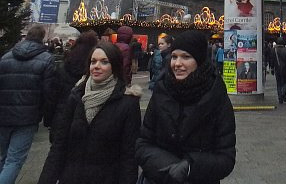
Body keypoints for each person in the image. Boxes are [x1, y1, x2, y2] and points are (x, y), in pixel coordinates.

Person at [136, 30, 236, 184]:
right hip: (160, 178)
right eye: (174, 56)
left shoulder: (216, 95)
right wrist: (168, 165)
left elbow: (226, 157)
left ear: (200, 60)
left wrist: (190, 167)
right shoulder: (162, 90)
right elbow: (143, 143)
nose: (177, 63)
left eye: (186, 57)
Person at [38, 42, 141, 184]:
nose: (96, 66)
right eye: (93, 61)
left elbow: (129, 156)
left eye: (104, 62)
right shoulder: (76, 96)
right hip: (71, 177)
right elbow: (59, 145)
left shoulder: (128, 103)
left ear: (115, 66)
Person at [0, 24, 56, 184]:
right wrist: (48, 117)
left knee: (5, 157)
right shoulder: (46, 59)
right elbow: (48, 92)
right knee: (14, 160)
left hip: (3, 115)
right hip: (27, 117)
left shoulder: (6, 57)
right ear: (42, 38)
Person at [47, 30, 99, 141]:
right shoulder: (95, 71)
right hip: (87, 121)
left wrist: (48, 119)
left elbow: (52, 97)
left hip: (61, 118)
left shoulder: (63, 68)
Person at [271, 38, 286, 104]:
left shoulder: (274, 50)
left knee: (278, 83)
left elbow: (272, 60)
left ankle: (280, 97)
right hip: (285, 69)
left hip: (277, 69)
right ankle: (283, 93)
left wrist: (272, 68)